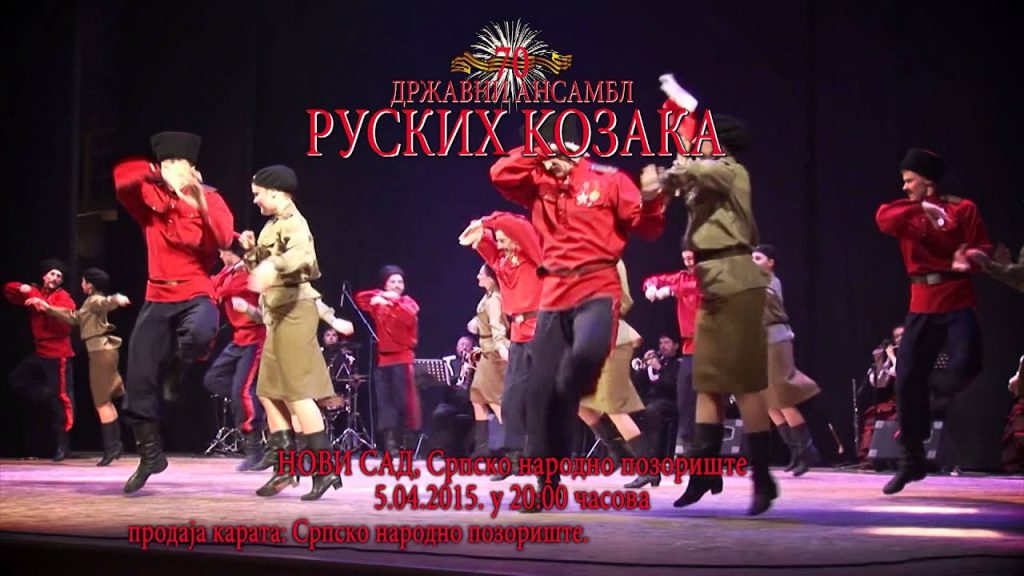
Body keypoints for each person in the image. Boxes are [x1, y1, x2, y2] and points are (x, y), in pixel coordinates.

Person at [490, 113, 666, 507]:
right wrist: (539, 153)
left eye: (550, 149)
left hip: (597, 288)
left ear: (571, 148)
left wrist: (654, 198)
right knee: (540, 394)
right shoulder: (538, 183)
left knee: (583, 359)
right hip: (554, 293)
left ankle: (576, 393)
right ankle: (546, 484)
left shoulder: (607, 179)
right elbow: (500, 174)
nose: (545, 159)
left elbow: (648, 226)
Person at [651, 105, 779, 515]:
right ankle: (704, 471)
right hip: (710, 282)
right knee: (707, 382)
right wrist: (665, 179)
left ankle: (763, 477)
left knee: (744, 383)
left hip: (737, 277)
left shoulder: (731, 171)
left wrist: (679, 166)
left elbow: (697, 172)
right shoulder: (704, 176)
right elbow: (677, 183)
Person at [113, 131, 234, 493]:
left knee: (199, 332)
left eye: (177, 162)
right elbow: (122, 179)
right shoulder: (150, 198)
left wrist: (199, 201)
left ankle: (178, 369)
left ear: (193, 167)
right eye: (166, 162)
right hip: (157, 295)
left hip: (196, 290)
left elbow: (223, 239)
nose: (171, 168)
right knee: (138, 375)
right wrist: (155, 173)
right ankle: (150, 454)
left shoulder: (211, 198)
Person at [875, 147, 991, 494]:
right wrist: (920, 208)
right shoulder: (905, 212)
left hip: (957, 298)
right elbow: (883, 219)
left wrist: (970, 256)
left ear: (928, 181)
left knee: (966, 363)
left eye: (910, 181)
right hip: (922, 303)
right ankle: (911, 461)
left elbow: (983, 247)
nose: (905, 187)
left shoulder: (962, 208)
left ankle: (928, 407)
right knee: (907, 377)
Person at [240, 164, 353, 501]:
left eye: (258, 194)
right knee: (267, 390)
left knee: (296, 393)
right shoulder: (272, 225)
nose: (255, 201)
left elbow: (301, 258)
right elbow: (261, 270)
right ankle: (285, 467)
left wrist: (271, 265)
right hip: (277, 314)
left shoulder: (295, 223)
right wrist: (252, 253)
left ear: (275, 192)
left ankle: (324, 469)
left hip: (295, 312)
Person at [458, 211, 542, 478]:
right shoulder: (504, 261)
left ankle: (542, 460)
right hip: (518, 333)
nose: (500, 242)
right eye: (499, 239)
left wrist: (487, 221)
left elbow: (519, 226)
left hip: (541, 330)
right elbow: (490, 253)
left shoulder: (532, 253)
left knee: (541, 398)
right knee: (511, 399)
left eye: (504, 238)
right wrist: (480, 235)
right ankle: (515, 460)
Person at [34, 268, 129, 466]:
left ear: (90, 285)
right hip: (99, 351)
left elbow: (105, 303)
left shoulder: (94, 300)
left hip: (101, 352)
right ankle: (115, 445)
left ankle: (112, 447)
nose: (82, 285)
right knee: (105, 401)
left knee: (102, 402)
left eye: (84, 282)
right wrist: (48, 308)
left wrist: (116, 299)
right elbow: (74, 317)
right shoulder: (89, 302)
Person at [578, 261, 659, 489]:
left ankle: (649, 469)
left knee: (614, 407)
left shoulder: (609, 259)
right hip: (589, 340)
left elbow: (622, 299)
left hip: (613, 338)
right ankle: (619, 453)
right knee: (579, 401)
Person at [751, 245, 821, 476]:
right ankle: (795, 451)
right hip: (759, 343)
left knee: (782, 396)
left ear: (770, 262)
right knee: (768, 401)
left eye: (758, 258)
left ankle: (807, 449)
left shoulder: (770, 282)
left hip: (776, 340)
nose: (753, 262)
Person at [203, 240, 267, 471]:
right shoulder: (228, 272)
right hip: (238, 339)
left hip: (255, 339)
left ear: (232, 253)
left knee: (241, 392)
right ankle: (255, 401)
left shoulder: (247, 275)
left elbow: (219, 290)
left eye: (223, 252)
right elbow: (213, 286)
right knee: (214, 379)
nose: (220, 256)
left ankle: (255, 451)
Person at [4, 260, 77, 461]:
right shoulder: (36, 291)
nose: (55, 278)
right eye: (52, 274)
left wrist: (45, 306)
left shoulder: (63, 297)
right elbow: (9, 290)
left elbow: (70, 318)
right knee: (17, 379)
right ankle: (48, 395)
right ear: (44, 276)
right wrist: (24, 289)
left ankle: (63, 446)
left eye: (59, 276)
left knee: (63, 400)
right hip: (40, 351)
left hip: (58, 353)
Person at [356, 265, 421, 453]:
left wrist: (392, 301)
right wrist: (382, 295)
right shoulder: (379, 302)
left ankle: (406, 445)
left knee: (404, 404)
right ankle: (390, 446)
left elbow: (408, 316)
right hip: (384, 360)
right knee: (386, 404)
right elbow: (361, 298)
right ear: (385, 285)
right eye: (392, 282)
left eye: (400, 281)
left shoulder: (408, 302)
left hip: (403, 358)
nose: (397, 285)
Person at [643, 249, 701, 451]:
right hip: (690, 346)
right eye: (685, 259)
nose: (689, 262)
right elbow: (654, 279)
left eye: (692, 258)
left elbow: (700, 288)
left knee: (708, 398)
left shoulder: (710, 277)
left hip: (711, 343)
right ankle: (686, 446)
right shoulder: (682, 277)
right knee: (685, 396)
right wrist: (651, 286)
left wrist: (671, 290)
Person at [465, 265, 509, 457]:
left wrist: (500, 347)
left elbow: (497, 326)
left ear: (491, 278)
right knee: (477, 397)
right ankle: (481, 448)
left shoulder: (495, 298)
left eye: (481, 274)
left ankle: (513, 448)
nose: (477, 276)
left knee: (495, 400)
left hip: (493, 353)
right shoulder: (488, 296)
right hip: (485, 351)